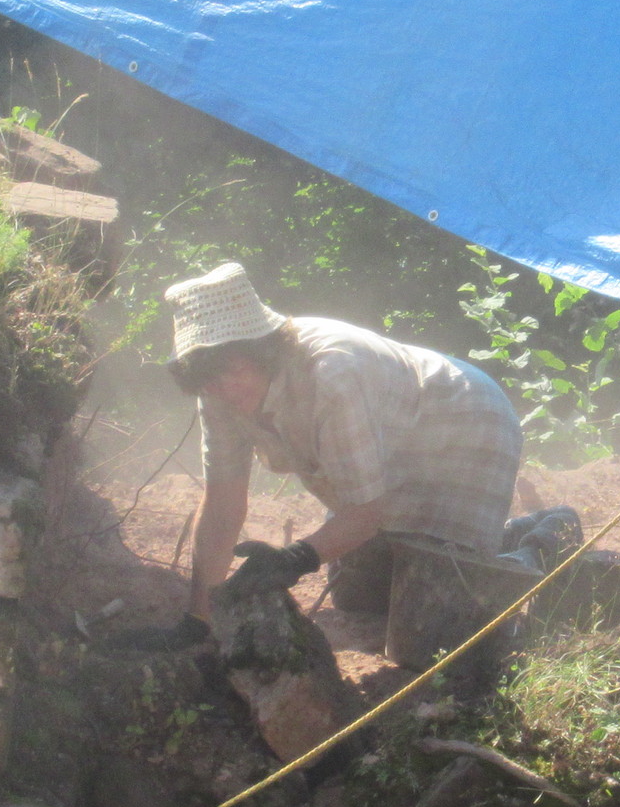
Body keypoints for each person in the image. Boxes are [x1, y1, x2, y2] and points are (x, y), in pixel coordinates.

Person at [165, 262, 524, 643]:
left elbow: (366, 512)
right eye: (210, 379)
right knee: (360, 598)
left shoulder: (331, 372)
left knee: (440, 612)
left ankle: (532, 545)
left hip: (466, 425)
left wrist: (293, 559)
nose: (226, 389)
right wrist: (199, 619)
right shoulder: (216, 393)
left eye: (234, 370)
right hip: (389, 445)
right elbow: (222, 505)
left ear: (263, 351)